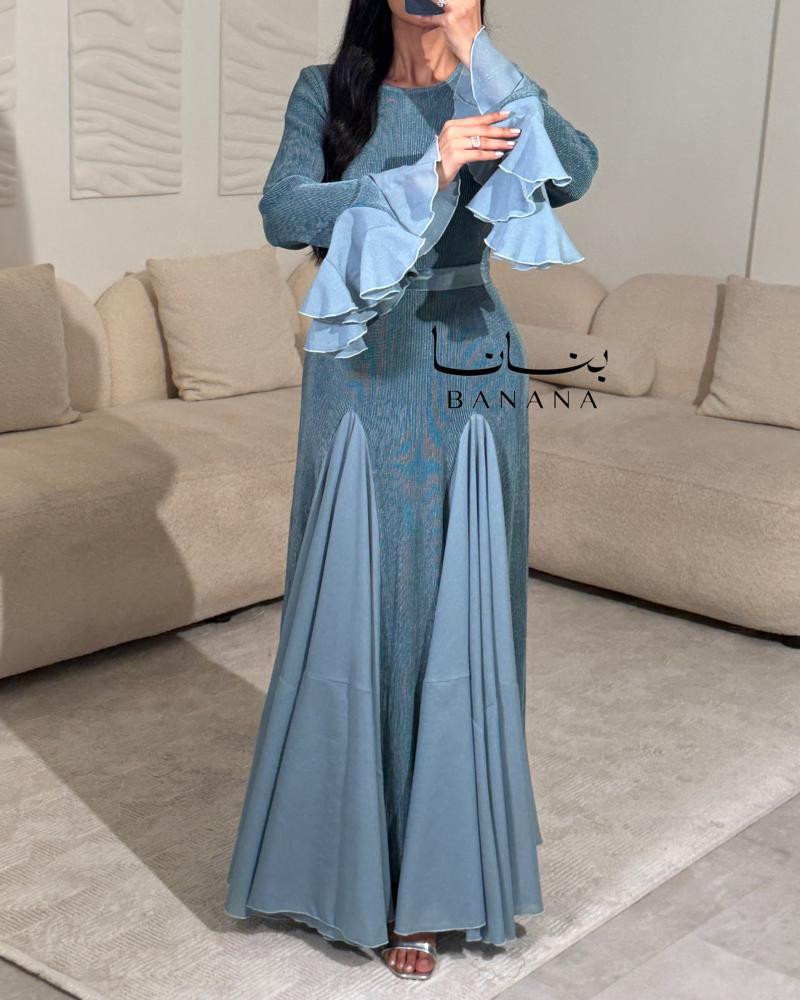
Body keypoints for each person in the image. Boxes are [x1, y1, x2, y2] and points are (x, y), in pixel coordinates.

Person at [225, 0, 598, 981]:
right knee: (365, 607)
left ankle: (432, 887)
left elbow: (573, 172)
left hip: (468, 363)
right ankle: (347, 869)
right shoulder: (327, 91)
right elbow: (283, 212)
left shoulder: (493, 89)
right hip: (357, 361)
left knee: (455, 611)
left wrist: (479, 53)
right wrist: (422, 171)